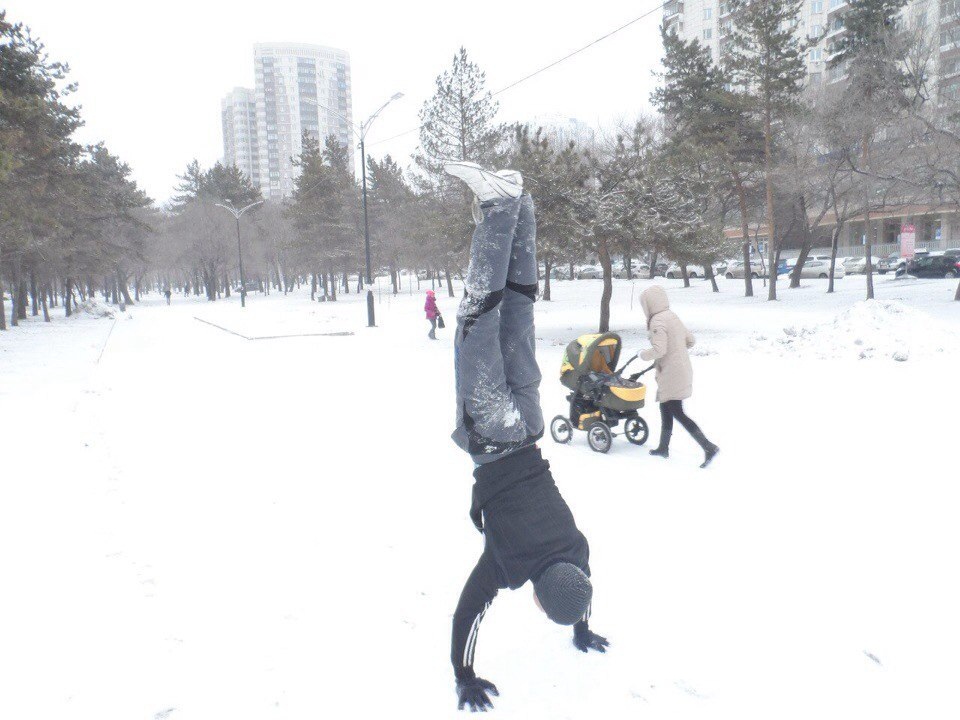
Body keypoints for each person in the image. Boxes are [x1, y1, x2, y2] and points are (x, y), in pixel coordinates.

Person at [445, 161, 609, 713]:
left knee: (515, 311)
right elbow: (467, 613)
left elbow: (583, 582)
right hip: (494, 433)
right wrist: (464, 674)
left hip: (532, 423)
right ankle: (497, 209)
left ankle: (521, 206)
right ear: (538, 595)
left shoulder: (575, 548)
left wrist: (582, 626)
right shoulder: (510, 564)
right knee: (478, 318)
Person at [636, 285, 719, 468]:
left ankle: (708, 446)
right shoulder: (671, 316)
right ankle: (663, 447)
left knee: (677, 412)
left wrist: (643, 355)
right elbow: (690, 341)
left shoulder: (657, 321)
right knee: (666, 407)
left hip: (671, 373)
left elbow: (659, 350)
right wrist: (676, 352)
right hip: (681, 369)